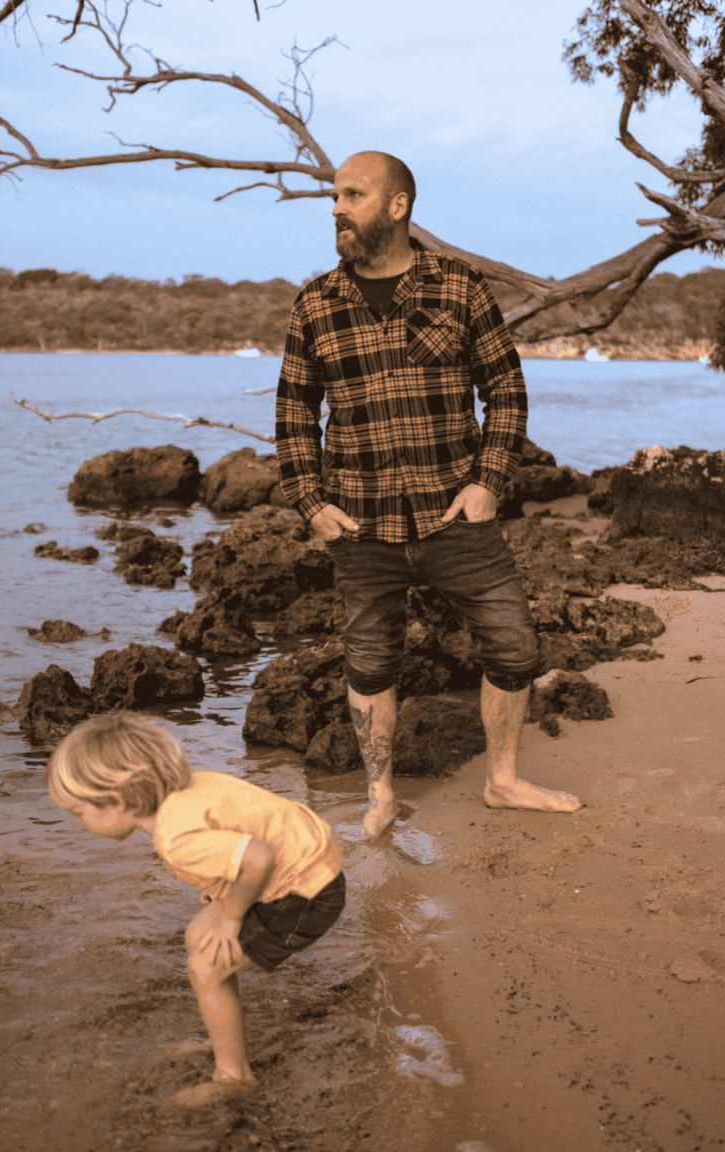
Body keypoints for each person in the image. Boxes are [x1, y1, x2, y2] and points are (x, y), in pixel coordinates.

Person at [275, 150, 582, 838]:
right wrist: (311, 503)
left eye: (351, 195)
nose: (335, 208)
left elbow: (505, 391)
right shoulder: (315, 304)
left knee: (513, 649)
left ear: (398, 205)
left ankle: (502, 781)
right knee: (369, 663)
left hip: (456, 517)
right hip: (361, 526)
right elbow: (294, 415)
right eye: (334, 196)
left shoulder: (460, 288)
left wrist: (488, 482)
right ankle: (380, 796)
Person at [46, 712, 345, 1108]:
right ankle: (224, 1036)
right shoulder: (188, 791)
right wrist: (221, 911)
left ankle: (233, 1076)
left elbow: (258, 857)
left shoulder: (176, 838)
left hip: (306, 889)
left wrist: (231, 914)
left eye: (79, 813)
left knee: (206, 968)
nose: (80, 823)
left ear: (115, 801)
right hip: (307, 859)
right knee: (198, 937)